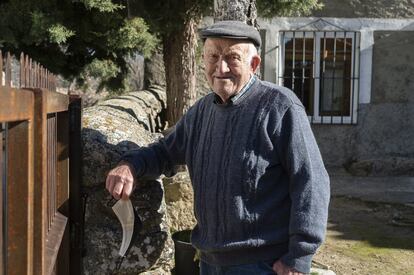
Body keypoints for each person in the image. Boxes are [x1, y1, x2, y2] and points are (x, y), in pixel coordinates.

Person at [106, 20, 330, 275]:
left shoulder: (280, 107)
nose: (220, 67)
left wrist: (299, 257)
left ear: (253, 65)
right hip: (209, 263)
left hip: (263, 265)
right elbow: (164, 152)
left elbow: (311, 181)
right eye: (213, 56)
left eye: (232, 58)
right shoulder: (201, 112)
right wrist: (130, 165)